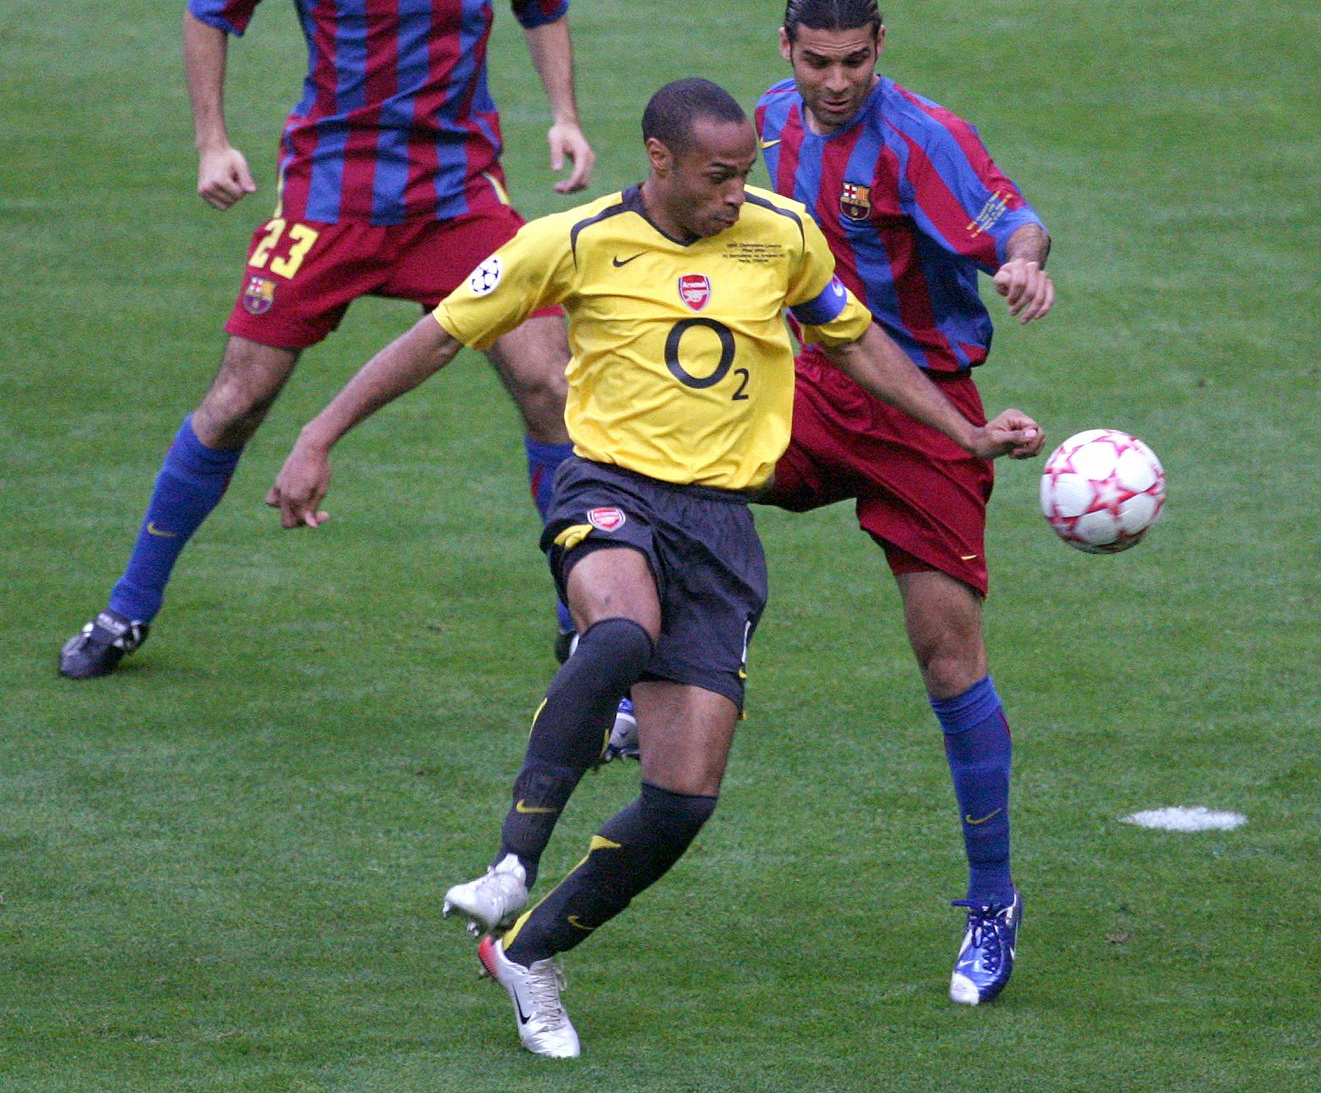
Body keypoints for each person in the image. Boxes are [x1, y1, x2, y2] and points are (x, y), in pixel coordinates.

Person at [267, 78, 1044, 1057]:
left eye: (746, 174)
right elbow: (435, 336)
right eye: (718, 176)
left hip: (719, 530)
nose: (734, 194)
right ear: (661, 160)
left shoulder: (782, 234)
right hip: (611, 489)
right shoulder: (575, 240)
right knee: (621, 627)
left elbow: (859, 345)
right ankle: (512, 857)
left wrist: (962, 432)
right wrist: (319, 432)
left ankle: (528, 949)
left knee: (681, 800)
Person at [59, 0, 594, 679]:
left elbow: (539, 5)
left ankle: (581, 625)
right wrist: (211, 141)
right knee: (236, 402)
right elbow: (208, 11)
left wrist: (563, 117)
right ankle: (127, 611)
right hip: (330, 201)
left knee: (549, 385)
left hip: (457, 201)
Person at [755, 0, 1055, 1005]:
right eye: (816, 61)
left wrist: (1022, 261)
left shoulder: (924, 138)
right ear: (786, 47)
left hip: (928, 409)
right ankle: (640, 659)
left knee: (945, 652)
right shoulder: (759, 129)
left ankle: (990, 903)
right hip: (807, 383)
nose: (835, 82)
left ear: (880, 44)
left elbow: (1012, 215)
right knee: (669, 456)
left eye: (855, 60)